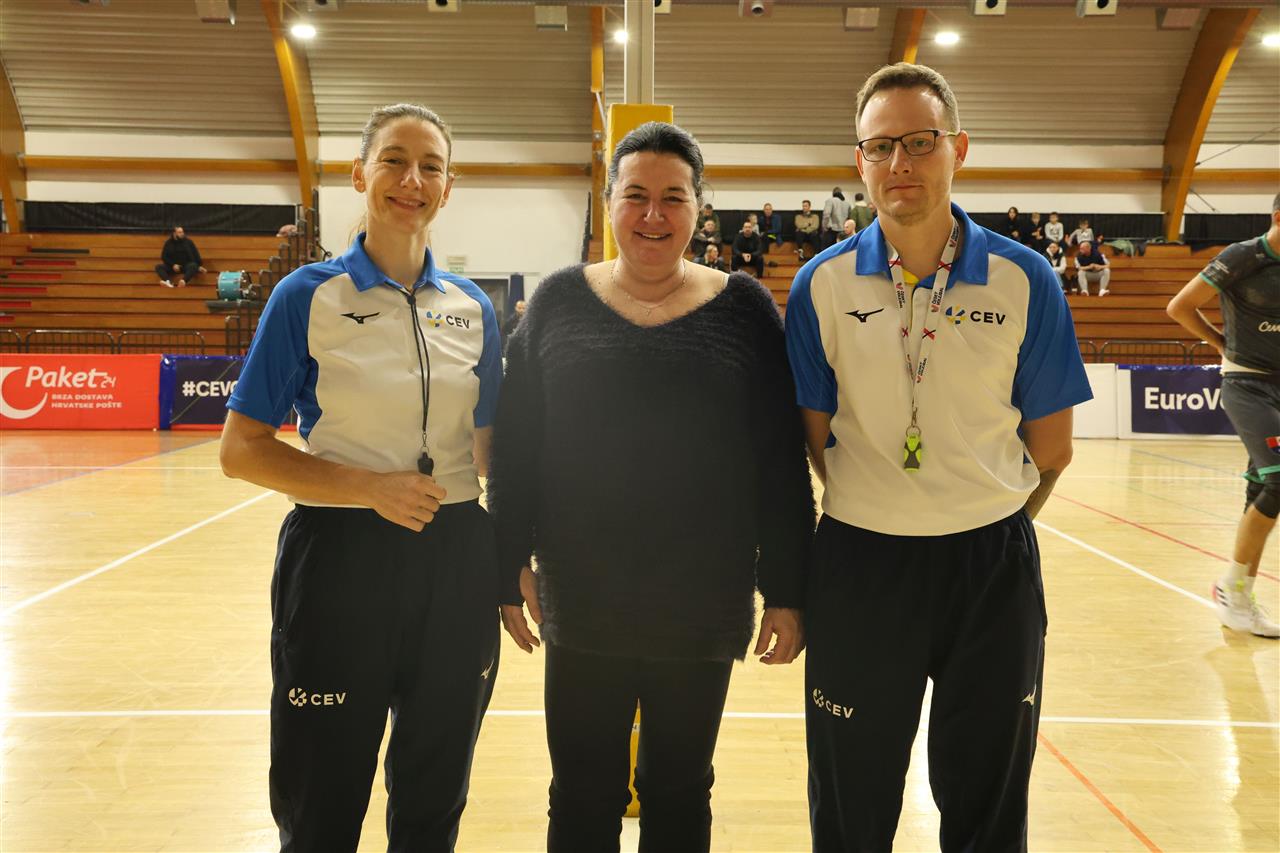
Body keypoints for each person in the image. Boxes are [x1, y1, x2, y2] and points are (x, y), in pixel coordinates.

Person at [785, 62, 1091, 852]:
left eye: (920, 142)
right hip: (860, 566)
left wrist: (980, 516)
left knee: (988, 806)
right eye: (880, 146)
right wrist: (890, 506)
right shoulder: (820, 285)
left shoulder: (1026, 278)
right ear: (859, 161)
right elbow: (814, 437)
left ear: (958, 147)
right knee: (850, 807)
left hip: (990, 570)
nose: (900, 163)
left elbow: (1052, 448)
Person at [488, 121, 813, 853]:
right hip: (581, 598)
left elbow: (778, 462)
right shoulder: (558, 302)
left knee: (680, 791)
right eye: (635, 195)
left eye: (674, 197)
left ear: (700, 208)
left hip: (702, 604)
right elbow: (518, 446)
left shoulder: (745, 309)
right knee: (581, 792)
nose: (653, 215)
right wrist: (507, 563)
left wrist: (787, 589)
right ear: (609, 202)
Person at [218, 103, 502, 851]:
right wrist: (369, 488)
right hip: (340, 558)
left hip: (456, 562)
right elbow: (241, 449)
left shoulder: (474, 307)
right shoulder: (307, 296)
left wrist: (520, 554)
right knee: (321, 800)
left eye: (431, 167)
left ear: (448, 187)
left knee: (434, 797)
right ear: (358, 174)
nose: (413, 180)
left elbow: (493, 449)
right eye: (394, 161)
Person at [1166, 193, 1280, 638]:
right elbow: (1180, 306)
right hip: (1247, 384)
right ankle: (1231, 588)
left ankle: (1239, 594)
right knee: (1279, 481)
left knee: (1262, 490)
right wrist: (1220, 343)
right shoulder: (1242, 257)